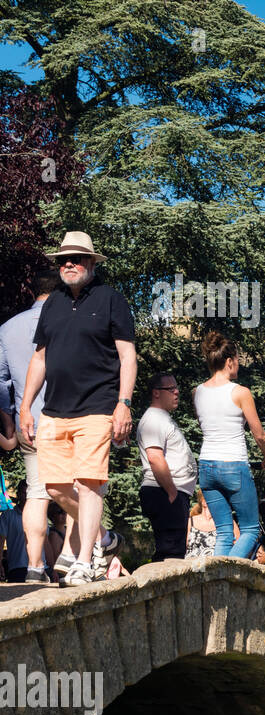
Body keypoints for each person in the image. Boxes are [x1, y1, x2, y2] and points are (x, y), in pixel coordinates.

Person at [19, 232, 135, 586]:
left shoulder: (111, 299)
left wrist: (124, 404)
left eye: (77, 258)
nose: (69, 264)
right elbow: (39, 358)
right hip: (53, 411)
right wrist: (25, 407)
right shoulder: (52, 303)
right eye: (63, 259)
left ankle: (86, 561)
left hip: (98, 408)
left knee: (87, 486)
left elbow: (127, 356)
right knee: (54, 489)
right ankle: (103, 537)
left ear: (91, 262)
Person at [0, 267, 66, 582]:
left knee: (37, 494)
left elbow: (1, 384)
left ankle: (35, 567)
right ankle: (80, 561)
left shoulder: (7, 328)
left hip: (28, 424)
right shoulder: (66, 321)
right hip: (65, 420)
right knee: (80, 487)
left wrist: (11, 422)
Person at [194, 331, 265, 559]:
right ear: (229, 362)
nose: (239, 363)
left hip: (207, 465)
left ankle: (217, 581)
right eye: (237, 359)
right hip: (233, 464)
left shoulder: (197, 392)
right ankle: (227, 572)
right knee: (249, 529)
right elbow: (259, 435)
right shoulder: (240, 392)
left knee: (224, 531)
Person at [136, 372, 197, 562]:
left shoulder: (162, 418)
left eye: (176, 388)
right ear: (156, 393)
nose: (176, 392)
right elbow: (155, 458)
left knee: (172, 551)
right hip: (164, 492)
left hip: (171, 493)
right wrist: (172, 492)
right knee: (170, 553)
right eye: (170, 389)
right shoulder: (154, 419)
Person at [186, 493, 220, 558]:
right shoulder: (190, 522)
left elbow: (236, 546)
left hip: (217, 566)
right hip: (192, 565)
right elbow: (181, 547)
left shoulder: (227, 522)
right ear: (204, 502)